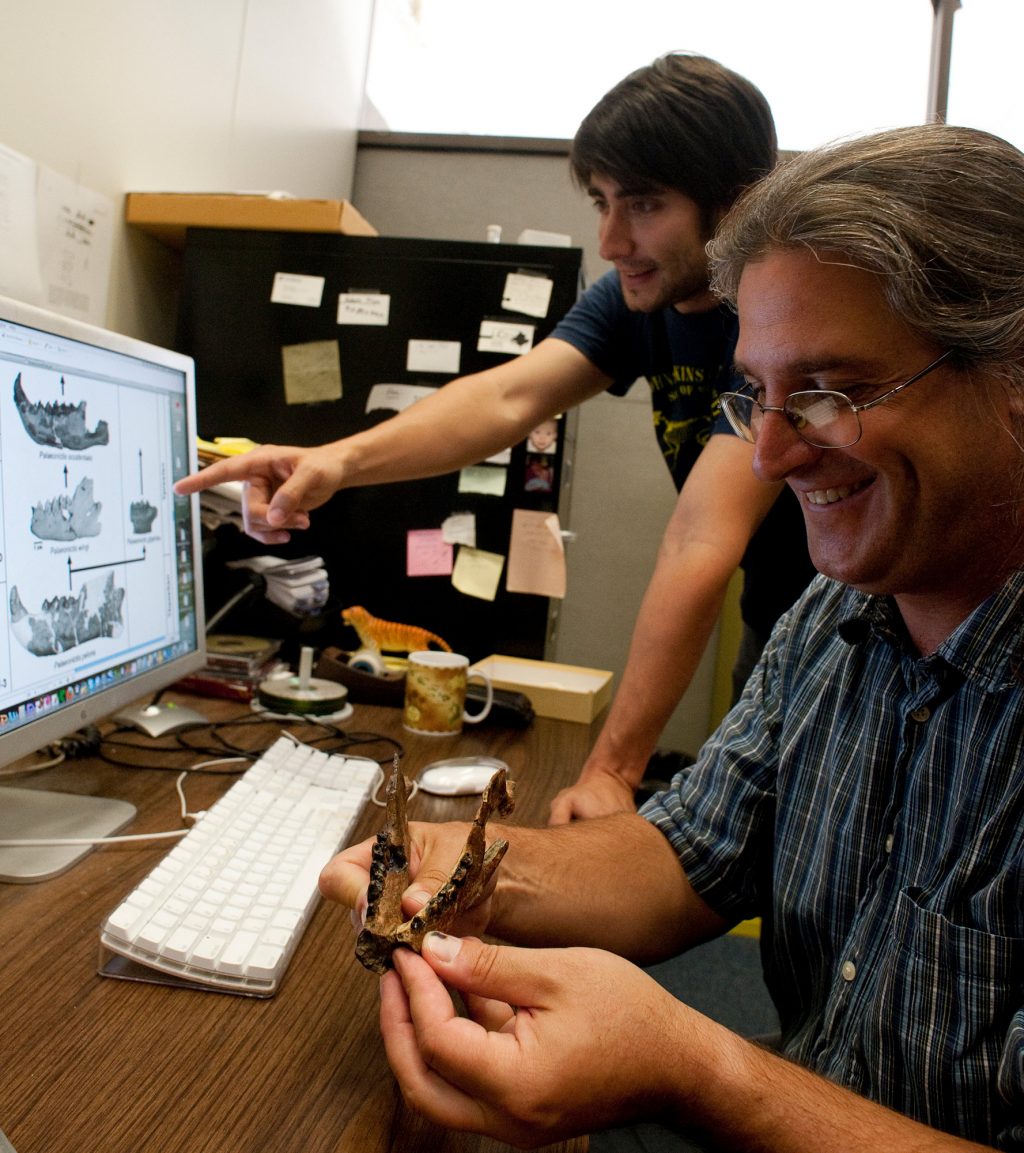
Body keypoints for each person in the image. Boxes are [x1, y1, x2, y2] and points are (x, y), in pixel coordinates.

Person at [320, 123, 1024, 1151]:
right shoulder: (832, 622)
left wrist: (695, 1069)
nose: (772, 455)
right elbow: (687, 853)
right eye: (758, 396)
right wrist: (472, 868)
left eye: (827, 391)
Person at [173, 52, 815, 825]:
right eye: (601, 202)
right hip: (775, 619)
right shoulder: (638, 300)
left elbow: (699, 541)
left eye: (643, 205)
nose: (611, 240)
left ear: (735, 201)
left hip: (871, 621)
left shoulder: (777, 315)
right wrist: (334, 460)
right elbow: (506, 396)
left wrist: (613, 769)